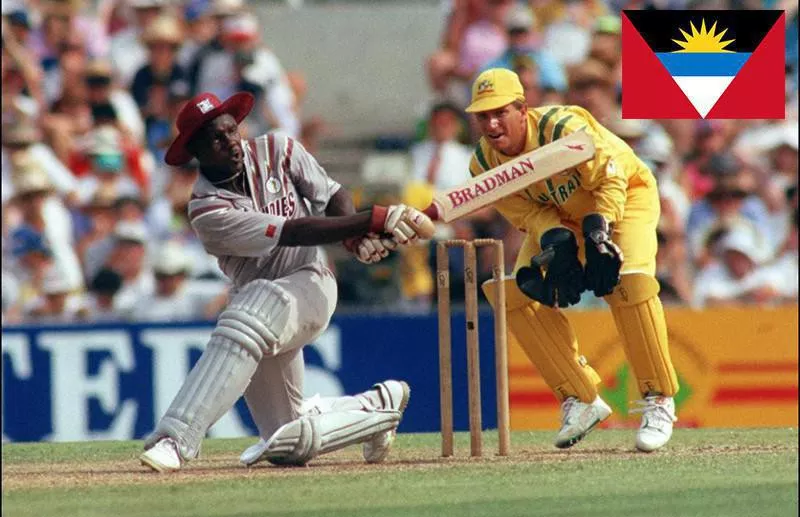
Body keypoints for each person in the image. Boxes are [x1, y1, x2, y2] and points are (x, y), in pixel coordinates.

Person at [140, 91, 433, 471]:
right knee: (288, 440)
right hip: (257, 314)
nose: (231, 142)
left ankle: (175, 439)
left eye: (232, 131)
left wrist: (354, 239)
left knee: (252, 306)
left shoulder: (278, 148)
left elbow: (331, 194)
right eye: (216, 139)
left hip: (310, 283)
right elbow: (293, 230)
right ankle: (376, 407)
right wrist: (373, 219)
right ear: (196, 151)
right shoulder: (206, 209)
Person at [463, 68, 680, 452]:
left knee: (628, 280)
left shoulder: (563, 127)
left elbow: (612, 179)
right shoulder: (483, 165)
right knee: (512, 293)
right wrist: (557, 238)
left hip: (624, 198)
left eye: (500, 112)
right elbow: (526, 214)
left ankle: (659, 399)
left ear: (522, 109)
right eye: (483, 115)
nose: (492, 123)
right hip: (563, 217)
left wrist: (600, 230)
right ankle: (581, 397)